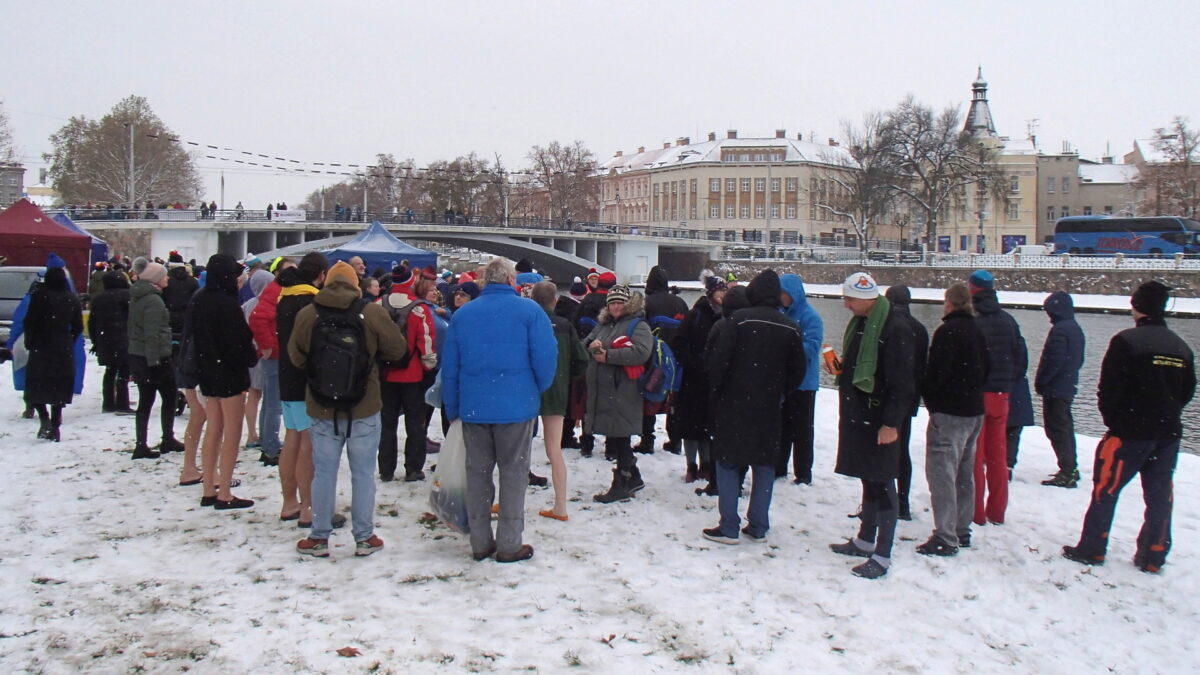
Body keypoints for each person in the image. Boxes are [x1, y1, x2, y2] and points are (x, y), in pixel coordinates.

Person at [1063, 281, 1195, 573]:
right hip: (1168, 432)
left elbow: (1109, 388)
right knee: (1159, 495)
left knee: (1106, 490)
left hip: (1130, 432)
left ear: (1136, 306)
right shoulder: (1181, 347)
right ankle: (1154, 553)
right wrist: (1166, 412)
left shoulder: (1126, 341)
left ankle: (1093, 548)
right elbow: (1187, 391)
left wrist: (1116, 422)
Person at [440, 258, 557, 562]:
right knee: (514, 474)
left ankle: (480, 541)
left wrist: (453, 406)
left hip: (475, 407)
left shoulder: (463, 315)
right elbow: (546, 359)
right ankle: (509, 542)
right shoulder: (530, 312)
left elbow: (450, 367)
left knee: (477, 475)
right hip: (516, 406)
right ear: (510, 281)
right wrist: (534, 389)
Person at [290, 261, 408, 558]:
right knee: (363, 473)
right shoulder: (369, 312)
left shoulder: (309, 313)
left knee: (324, 473)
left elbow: (295, 356)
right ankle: (364, 536)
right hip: (364, 403)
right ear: (356, 284)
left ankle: (318, 536)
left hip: (322, 405)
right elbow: (397, 348)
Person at [701, 270, 805, 545]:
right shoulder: (790, 327)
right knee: (764, 465)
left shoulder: (736, 321)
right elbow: (798, 371)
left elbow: (717, 364)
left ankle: (729, 525)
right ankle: (758, 524)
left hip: (734, 403)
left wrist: (719, 391)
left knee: (727, 462)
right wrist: (780, 392)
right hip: (770, 406)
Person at [828, 272, 914, 579]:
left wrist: (891, 423)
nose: (846, 306)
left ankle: (883, 554)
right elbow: (859, 367)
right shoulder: (863, 324)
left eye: (849, 300)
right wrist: (839, 366)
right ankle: (865, 540)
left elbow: (903, 382)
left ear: (866, 299)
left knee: (882, 481)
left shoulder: (894, 328)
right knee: (869, 478)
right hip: (859, 416)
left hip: (879, 419)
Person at [916, 283, 989, 556]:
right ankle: (961, 528)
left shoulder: (947, 332)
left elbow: (937, 373)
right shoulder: (978, 331)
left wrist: (930, 399)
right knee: (964, 473)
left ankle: (945, 536)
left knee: (942, 474)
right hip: (974, 411)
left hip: (950, 412)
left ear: (948, 303)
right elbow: (987, 369)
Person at [191, 254, 259, 510]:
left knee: (214, 429)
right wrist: (251, 357)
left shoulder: (201, 300)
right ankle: (225, 491)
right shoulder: (226, 304)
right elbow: (238, 342)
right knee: (231, 432)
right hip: (229, 372)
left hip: (208, 370)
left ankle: (209, 486)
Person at [585, 285, 655, 503]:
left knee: (620, 435)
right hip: (606, 390)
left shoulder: (638, 324)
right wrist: (592, 346)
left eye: (619, 303)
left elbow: (641, 352)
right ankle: (632, 477)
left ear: (628, 304)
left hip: (624, 389)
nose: (615, 307)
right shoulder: (604, 324)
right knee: (617, 434)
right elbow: (585, 343)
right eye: (612, 303)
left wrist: (608, 356)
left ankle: (622, 483)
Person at [968, 269, 1025, 526]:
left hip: (979, 394)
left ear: (973, 289)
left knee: (975, 456)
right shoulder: (1008, 320)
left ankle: (976, 513)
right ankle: (997, 511)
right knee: (997, 455)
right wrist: (1007, 382)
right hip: (1002, 394)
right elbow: (1020, 358)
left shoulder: (973, 320)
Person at [276, 253, 327, 527]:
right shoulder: (310, 301)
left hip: (286, 375)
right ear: (320, 274)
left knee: (292, 438)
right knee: (308, 442)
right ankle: (308, 506)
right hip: (304, 377)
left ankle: (289, 502)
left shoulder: (284, 297)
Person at [531, 281, 589, 521]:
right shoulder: (565, 325)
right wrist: (565, 378)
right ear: (555, 301)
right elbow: (581, 359)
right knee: (554, 450)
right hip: (556, 391)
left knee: (517, 450)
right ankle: (560, 506)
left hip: (529, 389)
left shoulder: (529, 323)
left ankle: (506, 501)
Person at [378, 266, 438, 482]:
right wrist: (428, 365)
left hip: (385, 373)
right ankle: (413, 467)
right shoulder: (418, 309)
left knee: (387, 422)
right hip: (412, 373)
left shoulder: (379, 305)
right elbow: (426, 340)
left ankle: (386, 467)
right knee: (415, 423)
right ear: (411, 282)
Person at [671, 276, 726, 483]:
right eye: (720, 292)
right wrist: (693, 363)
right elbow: (678, 342)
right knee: (690, 426)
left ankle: (706, 464)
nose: (723, 296)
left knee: (708, 425)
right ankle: (691, 465)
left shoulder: (726, 317)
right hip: (693, 380)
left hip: (713, 380)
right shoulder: (695, 315)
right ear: (711, 294)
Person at [127, 263, 183, 457]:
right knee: (168, 397)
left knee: (145, 400)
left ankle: (141, 442)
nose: (167, 279)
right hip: (154, 357)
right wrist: (155, 361)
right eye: (164, 276)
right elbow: (152, 333)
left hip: (138, 354)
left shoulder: (138, 297)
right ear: (155, 279)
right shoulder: (153, 301)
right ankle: (166, 438)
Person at [23, 267, 83, 443]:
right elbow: (78, 326)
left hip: (41, 346)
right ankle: (56, 426)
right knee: (59, 387)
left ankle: (44, 418)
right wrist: (69, 340)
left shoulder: (40, 296)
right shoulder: (71, 298)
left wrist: (30, 341)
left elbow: (30, 321)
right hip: (62, 347)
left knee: (36, 385)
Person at [883, 285, 928, 519]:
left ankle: (882, 500)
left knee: (883, 449)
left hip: (890, 397)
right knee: (903, 449)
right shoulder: (919, 329)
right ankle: (903, 501)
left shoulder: (887, 325)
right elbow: (923, 366)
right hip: (910, 396)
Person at [1034, 291, 1085, 488]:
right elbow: (1077, 360)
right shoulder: (1074, 328)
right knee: (1065, 427)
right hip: (1067, 386)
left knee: (1057, 429)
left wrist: (1042, 382)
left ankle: (1067, 471)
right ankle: (1070, 467)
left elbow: (1052, 361)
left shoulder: (1060, 331)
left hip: (1056, 389)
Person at [636, 266, 688, 455]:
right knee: (673, 401)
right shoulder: (680, 303)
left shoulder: (647, 303)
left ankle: (647, 440)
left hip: (654, 358)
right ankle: (675, 440)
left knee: (649, 396)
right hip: (677, 358)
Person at [778, 273, 823, 485]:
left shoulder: (810, 316)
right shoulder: (780, 313)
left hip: (805, 384)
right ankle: (779, 467)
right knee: (782, 427)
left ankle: (803, 473)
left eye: (784, 293)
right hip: (785, 381)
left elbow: (812, 347)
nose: (781, 297)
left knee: (803, 430)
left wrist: (788, 347)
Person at [241, 269, 276, 455]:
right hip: (264, 353)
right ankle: (263, 433)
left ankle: (252, 433)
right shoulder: (267, 305)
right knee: (266, 396)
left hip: (251, 354)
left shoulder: (247, 305)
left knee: (254, 395)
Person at [89, 271, 133, 414]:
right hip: (125, 339)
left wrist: (96, 341)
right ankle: (122, 403)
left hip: (105, 340)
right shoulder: (128, 295)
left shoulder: (98, 298)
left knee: (110, 371)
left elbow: (92, 322)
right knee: (124, 372)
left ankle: (108, 402)